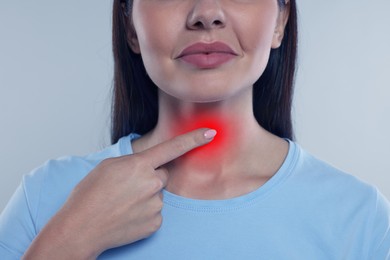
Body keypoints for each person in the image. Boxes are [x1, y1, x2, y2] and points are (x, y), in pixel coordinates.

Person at [0, 0, 389, 258]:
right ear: (131, 26)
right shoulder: (45, 199)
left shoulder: (360, 218)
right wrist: (68, 242)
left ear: (280, 22)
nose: (206, 13)